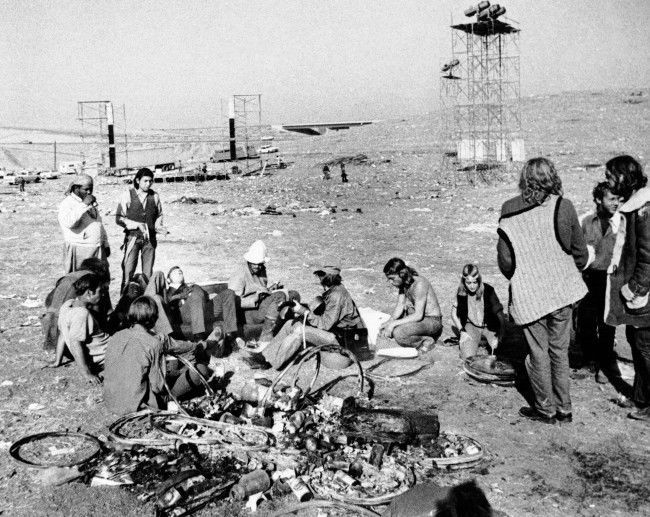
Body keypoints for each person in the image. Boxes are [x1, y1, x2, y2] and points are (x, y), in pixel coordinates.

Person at [498, 157, 591, 424]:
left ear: (524, 178)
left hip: (530, 295)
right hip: (562, 292)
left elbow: (506, 262)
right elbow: (581, 254)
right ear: (553, 177)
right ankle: (565, 408)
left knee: (538, 353)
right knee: (560, 352)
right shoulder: (564, 206)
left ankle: (545, 409)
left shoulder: (508, 209)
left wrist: (524, 275)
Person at [104, 296, 214, 416]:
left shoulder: (117, 336)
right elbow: (157, 386)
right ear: (154, 318)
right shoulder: (153, 344)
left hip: (112, 402)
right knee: (201, 370)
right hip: (137, 407)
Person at [603, 155, 650, 422]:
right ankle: (642, 399)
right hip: (640, 294)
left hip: (643, 294)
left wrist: (636, 289)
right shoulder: (637, 205)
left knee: (645, 347)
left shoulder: (644, 210)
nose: (608, 181)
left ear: (623, 177)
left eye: (611, 176)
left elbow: (648, 257)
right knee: (637, 342)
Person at [255, 266, 365, 369]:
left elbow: (325, 324)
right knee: (290, 324)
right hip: (335, 334)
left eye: (321, 276)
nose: (319, 279)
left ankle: (273, 363)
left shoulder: (337, 295)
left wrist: (303, 311)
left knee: (299, 331)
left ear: (329, 278)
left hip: (341, 346)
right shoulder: (334, 290)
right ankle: (265, 356)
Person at [575, 182, 629, 389]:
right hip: (589, 278)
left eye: (618, 199)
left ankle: (604, 365)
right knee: (586, 320)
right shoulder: (585, 221)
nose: (616, 203)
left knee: (607, 323)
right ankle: (588, 357)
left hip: (611, 278)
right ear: (599, 200)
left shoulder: (622, 222)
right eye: (611, 199)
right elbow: (578, 251)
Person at [228, 240, 298, 347]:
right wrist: (256, 298)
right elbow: (231, 303)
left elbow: (260, 288)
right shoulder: (240, 275)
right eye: (254, 263)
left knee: (293, 294)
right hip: (247, 313)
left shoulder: (261, 270)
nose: (258, 266)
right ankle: (266, 336)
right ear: (248, 261)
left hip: (260, 306)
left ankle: (283, 323)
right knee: (280, 296)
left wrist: (270, 289)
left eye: (260, 264)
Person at [45, 274, 110, 385]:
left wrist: (58, 361)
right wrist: (86, 374)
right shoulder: (82, 314)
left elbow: (63, 334)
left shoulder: (67, 305)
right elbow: (75, 343)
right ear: (89, 293)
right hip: (106, 354)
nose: (103, 294)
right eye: (100, 291)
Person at [41, 257, 112, 350]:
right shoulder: (93, 280)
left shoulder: (69, 277)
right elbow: (104, 313)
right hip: (72, 340)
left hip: (53, 334)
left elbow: (48, 301)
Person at [116, 167, 166, 293]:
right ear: (138, 180)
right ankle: (124, 301)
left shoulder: (154, 196)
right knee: (128, 271)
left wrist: (158, 227)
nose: (148, 184)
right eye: (145, 181)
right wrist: (135, 224)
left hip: (149, 241)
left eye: (151, 181)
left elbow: (159, 214)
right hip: (133, 238)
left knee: (148, 273)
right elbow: (119, 218)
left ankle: (147, 300)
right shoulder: (127, 195)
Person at [380, 258, 443, 351]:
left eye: (392, 278)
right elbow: (400, 305)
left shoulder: (419, 284)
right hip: (421, 319)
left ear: (401, 274)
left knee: (399, 333)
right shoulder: (404, 283)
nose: (390, 282)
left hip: (432, 321)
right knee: (390, 327)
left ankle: (426, 341)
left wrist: (393, 324)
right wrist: (390, 321)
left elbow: (418, 315)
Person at [166, 266, 238, 344]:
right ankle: (199, 337)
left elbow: (204, 297)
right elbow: (168, 304)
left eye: (180, 271)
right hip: (186, 314)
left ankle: (230, 334)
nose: (179, 271)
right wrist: (183, 296)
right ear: (168, 280)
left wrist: (209, 296)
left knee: (229, 293)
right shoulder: (167, 293)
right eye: (174, 272)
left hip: (202, 310)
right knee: (195, 292)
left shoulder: (191, 288)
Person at [57, 174, 110, 274]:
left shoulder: (88, 202)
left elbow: (98, 223)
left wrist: (105, 243)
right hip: (80, 250)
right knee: (82, 281)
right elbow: (69, 223)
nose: (89, 192)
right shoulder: (67, 203)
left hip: (97, 247)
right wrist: (83, 205)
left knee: (99, 281)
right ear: (76, 188)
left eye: (91, 189)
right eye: (86, 189)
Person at [451, 264, 505, 360]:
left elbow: (500, 314)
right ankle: (478, 341)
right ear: (464, 282)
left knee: (499, 351)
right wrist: (462, 331)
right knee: (467, 357)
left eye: (475, 282)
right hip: (472, 326)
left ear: (479, 280)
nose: (472, 286)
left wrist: (500, 333)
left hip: (489, 327)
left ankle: (484, 341)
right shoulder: (461, 292)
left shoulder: (488, 290)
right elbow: (453, 314)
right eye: (468, 283)